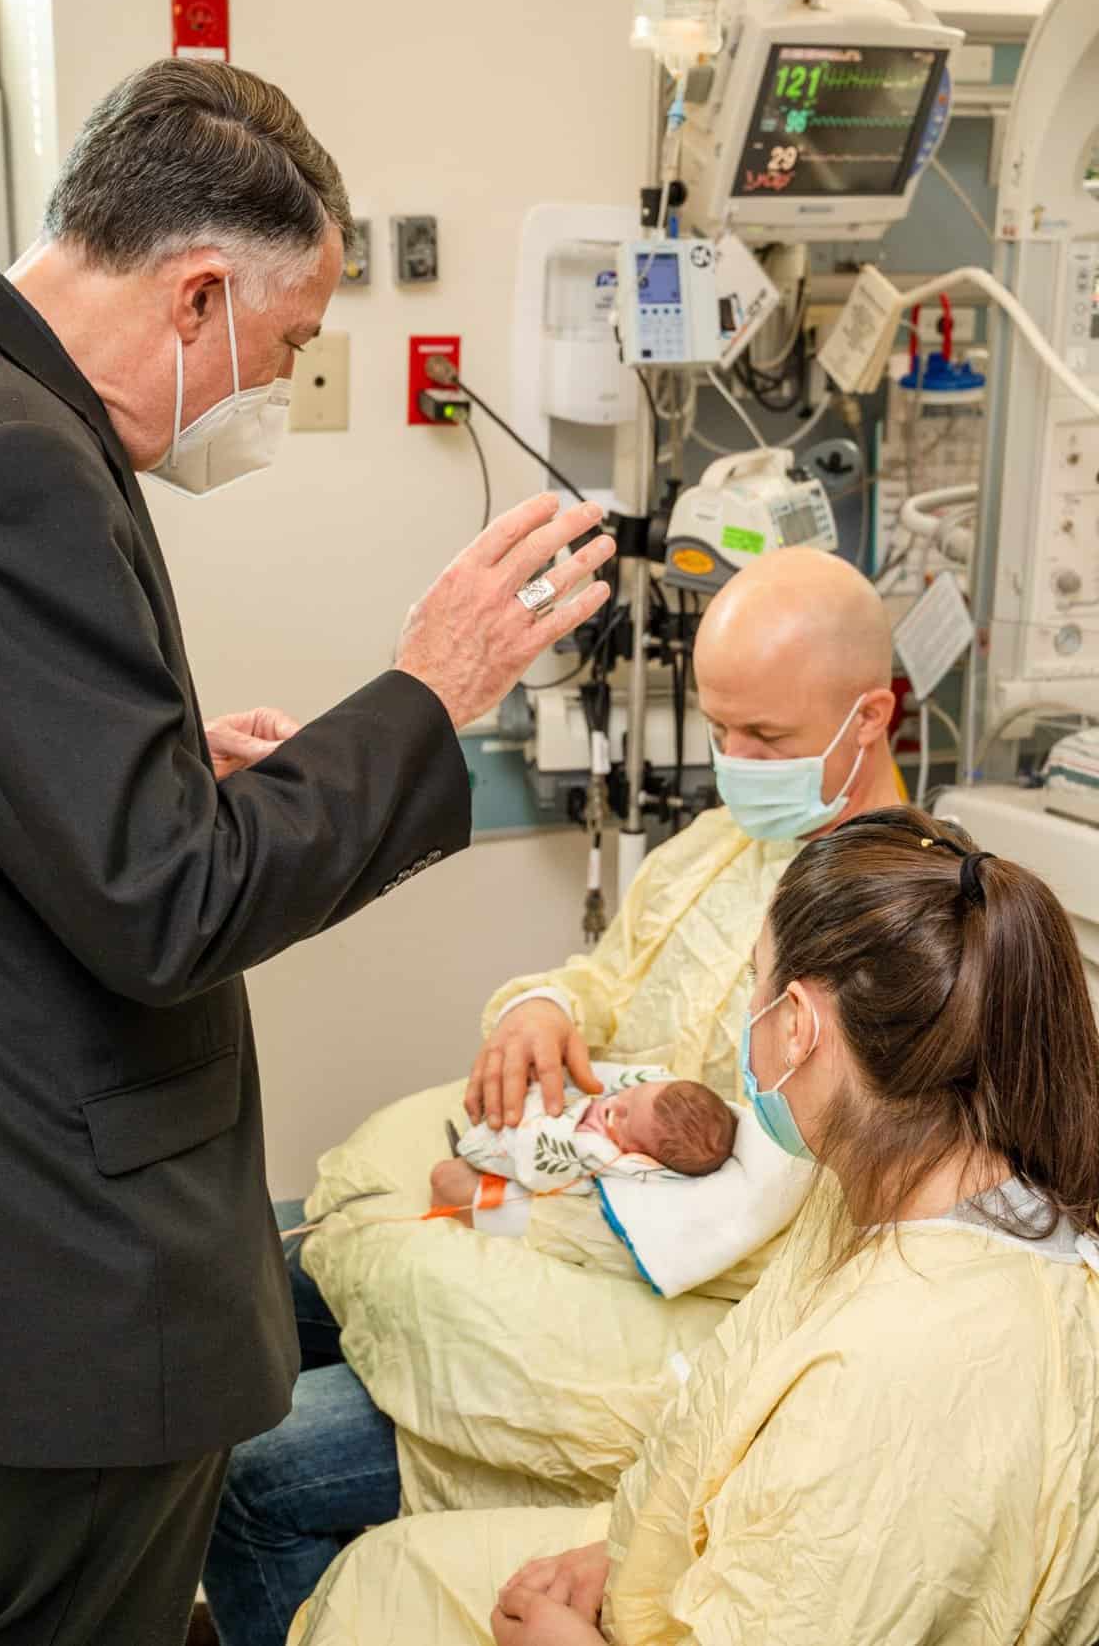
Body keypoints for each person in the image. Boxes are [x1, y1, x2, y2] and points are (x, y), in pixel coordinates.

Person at [0, 58, 616, 1646]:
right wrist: (428, 694)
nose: (277, 389)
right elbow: (170, 905)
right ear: (201, 292)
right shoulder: (8, 462)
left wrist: (154, 772)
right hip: (72, 1264)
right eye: (286, 348)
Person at [202, 547, 904, 1646]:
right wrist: (538, 1010)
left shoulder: (902, 929)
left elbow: (801, 1221)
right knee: (269, 1278)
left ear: (873, 713)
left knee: (249, 1478)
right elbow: (605, 985)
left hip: (683, 1316)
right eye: (718, 729)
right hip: (573, 1205)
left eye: (765, 738)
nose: (734, 763)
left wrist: (549, 1212)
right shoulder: (721, 847)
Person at [292, 809, 1099, 1646]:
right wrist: (622, 1553)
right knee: (383, 1570)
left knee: (347, 1568)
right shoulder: (897, 1192)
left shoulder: (903, 1373)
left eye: (752, 982)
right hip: (673, 1569)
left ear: (797, 1023)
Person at [437, 1067, 737, 1227]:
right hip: (551, 1107)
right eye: (634, 1096)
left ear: (639, 1155)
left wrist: (560, 1125)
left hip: (528, 1147)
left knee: (454, 1173)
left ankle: (477, 1153)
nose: (618, 1104)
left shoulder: (602, 1153)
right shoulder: (646, 1099)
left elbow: (551, 1161)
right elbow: (610, 1083)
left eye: (626, 1118)